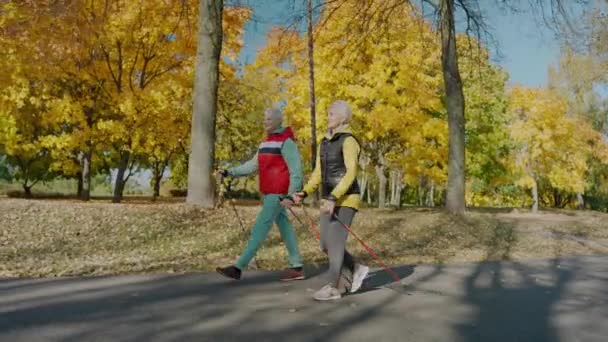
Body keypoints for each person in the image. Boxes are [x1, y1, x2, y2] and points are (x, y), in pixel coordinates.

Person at [291, 100, 369, 301]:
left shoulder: (349, 140)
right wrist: (304, 192)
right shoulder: (324, 142)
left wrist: (335, 196)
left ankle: (335, 286)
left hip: (346, 198)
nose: (328, 116)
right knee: (326, 244)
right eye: (328, 113)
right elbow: (318, 173)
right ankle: (355, 266)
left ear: (343, 117)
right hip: (329, 199)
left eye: (332, 113)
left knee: (335, 242)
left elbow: (351, 172)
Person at [215, 108, 305, 282]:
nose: (266, 122)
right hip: (269, 193)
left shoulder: (287, 142)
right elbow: (251, 166)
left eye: (269, 119)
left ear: (279, 121)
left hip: (278, 195)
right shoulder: (265, 143)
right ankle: (297, 266)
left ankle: (238, 267)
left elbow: (296, 172)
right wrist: (228, 172)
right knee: (285, 228)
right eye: (265, 119)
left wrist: (290, 195)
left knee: (259, 229)